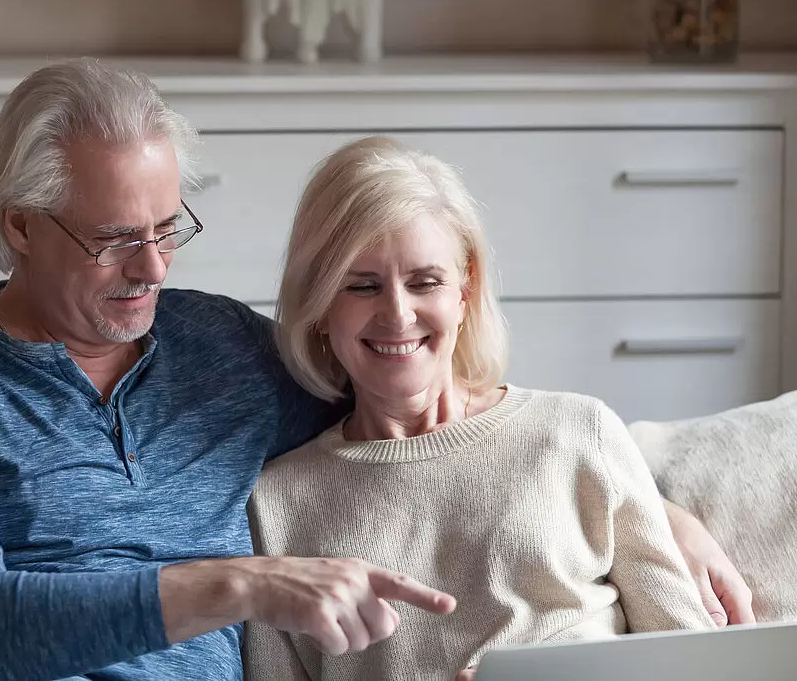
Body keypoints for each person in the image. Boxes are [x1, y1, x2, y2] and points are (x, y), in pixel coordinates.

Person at [0, 59, 751, 680]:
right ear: (20, 224)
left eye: (168, 229)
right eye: (117, 239)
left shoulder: (225, 348)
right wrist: (241, 583)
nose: (155, 268)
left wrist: (649, 504)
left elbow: (427, 409)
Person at [244, 136, 748, 681]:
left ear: (465, 290)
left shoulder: (579, 432)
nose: (397, 314)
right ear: (319, 305)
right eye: (362, 286)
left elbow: (691, 662)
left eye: (425, 282)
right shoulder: (275, 506)